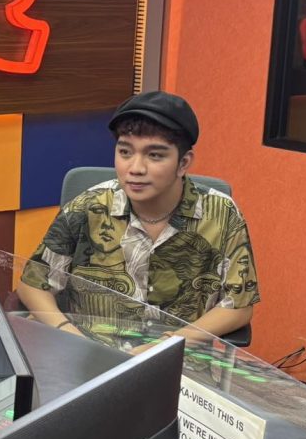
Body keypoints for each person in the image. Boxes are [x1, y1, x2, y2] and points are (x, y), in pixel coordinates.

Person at [18, 90, 260, 350]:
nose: (135, 168)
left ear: (183, 163)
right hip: (91, 355)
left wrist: (165, 346)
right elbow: (32, 284)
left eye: (154, 155)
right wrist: (68, 333)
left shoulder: (222, 213)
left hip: (179, 359)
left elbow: (238, 306)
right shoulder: (88, 207)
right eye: (125, 152)